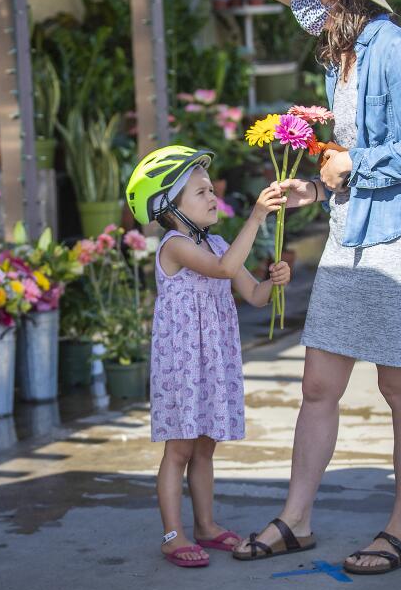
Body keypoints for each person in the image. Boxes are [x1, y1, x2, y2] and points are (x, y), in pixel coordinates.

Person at [232, 0, 401, 575]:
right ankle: (296, 519)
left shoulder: (398, 50)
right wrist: (314, 185)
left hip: (398, 240)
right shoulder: (339, 61)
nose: (301, 2)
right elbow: (350, 166)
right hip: (349, 235)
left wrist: (355, 162)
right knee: (319, 384)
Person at [125, 145, 291, 568]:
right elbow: (221, 270)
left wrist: (274, 281)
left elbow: (252, 295)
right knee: (178, 449)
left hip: (211, 363)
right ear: (169, 207)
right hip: (183, 364)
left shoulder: (217, 242)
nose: (213, 196)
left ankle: (206, 525)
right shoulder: (175, 246)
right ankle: (172, 534)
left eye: (211, 189)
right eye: (200, 192)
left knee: (204, 448)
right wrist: (256, 217)